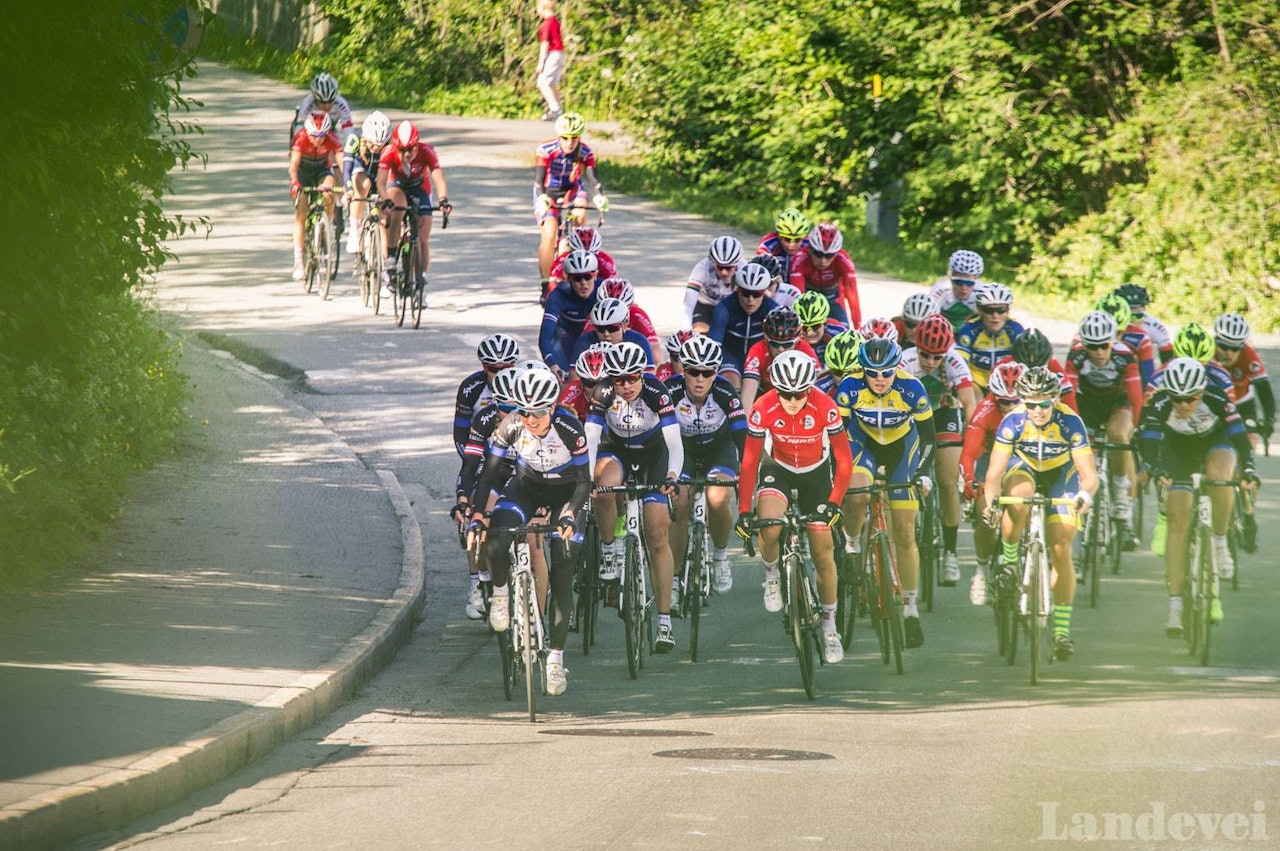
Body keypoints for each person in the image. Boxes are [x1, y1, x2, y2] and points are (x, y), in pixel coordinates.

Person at [473, 369, 590, 696]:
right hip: (526, 488)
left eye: (537, 412)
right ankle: (500, 595)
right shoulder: (510, 425)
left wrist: (569, 514)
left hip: (566, 494)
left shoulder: (569, 427)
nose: (530, 419)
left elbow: (584, 481)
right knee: (497, 538)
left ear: (551, 407)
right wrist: (477, 515)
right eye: (524, 412)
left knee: (563, 565)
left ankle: (555, 659)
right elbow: (488, 476)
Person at [737, 350, 853, 665]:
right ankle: (772, 575)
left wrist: (834, 503)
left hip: (817, 473)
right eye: (785, 393)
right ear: (775, 388)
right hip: (779, 468)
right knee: (770, 524)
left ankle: (830, 626)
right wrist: (744, 510)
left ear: (809, 388)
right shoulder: (763, 408)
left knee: (822, 551)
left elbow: (844, 460)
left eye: (799, 393)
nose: (791, 400)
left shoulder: (826, 407)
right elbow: (749, 463)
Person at [983, 366, 1099, 661]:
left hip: (1062, 474)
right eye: (1030, 403)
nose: (1037, 410)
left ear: (1055, 400)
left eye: (1044, 404)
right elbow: (995, 473)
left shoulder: (1071, 422)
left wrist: (1085, 493)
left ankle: (1061, 631)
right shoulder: (1012, 422)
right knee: (1018, 496)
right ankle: (1010, 561)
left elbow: (1088, 473)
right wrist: (991, 504)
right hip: (1024, 470)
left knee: (1061, 546)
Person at [1138, 358, 1259, 636]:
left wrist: (1249, 469)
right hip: (1177, 451)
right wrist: (1158, 470)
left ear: (1201, 392)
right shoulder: (1158, 404)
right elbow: (1149, 442)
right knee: (1178, 519)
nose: (1182, 405)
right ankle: (1175, 606)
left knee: (1222, 475)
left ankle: (1219, 542)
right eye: (1177, 399)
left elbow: (1239, 436)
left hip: (1214, 442)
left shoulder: (1216, 397)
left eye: (1190, 399)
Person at [835, 338, 936, 649]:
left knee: (904, 532)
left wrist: (921, 474)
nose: (879, 379)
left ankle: (910, 609)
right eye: (872, 372)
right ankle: (852, 546)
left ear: (897, 369)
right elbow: (838, 437)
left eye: (886, 372)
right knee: (857, 497)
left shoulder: (912, 389)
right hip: (862, 446)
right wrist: (838, 475)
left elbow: (930, 438)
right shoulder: (849, 389)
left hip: (901, 451)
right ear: (862, 370)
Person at [585, 342, 684, 653]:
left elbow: (674, 442)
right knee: (604, 487)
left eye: (632, 378)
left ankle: (665, 621)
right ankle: (609, 547)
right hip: (617, 451)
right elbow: (590, 438)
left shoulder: (657, 392)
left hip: (655, 454)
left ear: (642, 375)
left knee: (657, 534)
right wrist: (587, 479)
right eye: (619, 380)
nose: (626, 386)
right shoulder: (603, 393)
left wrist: (672, 476)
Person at [899, 314, 977, 585]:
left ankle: (951, 553)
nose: (931, 362)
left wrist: (971, 440)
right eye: (926, 355)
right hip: (910, 416)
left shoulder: (955, 361)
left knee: (946, 481)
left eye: (937, 357)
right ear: (916, 346)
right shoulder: (905, 360)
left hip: (943, 414)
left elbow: (970, 405)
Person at [668, 335, 747, 594]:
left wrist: (746, 475)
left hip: (719, 449)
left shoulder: (725, 392)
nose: (700, 379)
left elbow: (741, 436)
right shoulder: (670, 391)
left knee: (718, 497)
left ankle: (722, 557)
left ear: (715, 372)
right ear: (683, 370)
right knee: (679, 505)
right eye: (693, 372)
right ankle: (675, 577)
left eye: (707, 372)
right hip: (684, 450)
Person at [1065, 310, 1143, 549]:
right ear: (1084, 343)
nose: (1099, 352)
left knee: (1119, 434)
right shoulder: (1076, 356)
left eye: (1104, 345)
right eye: (1092, 346)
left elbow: (1136, 398)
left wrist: (1136, 429)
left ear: (1113, 341)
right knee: (1079, 444)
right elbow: (1069, 396)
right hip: (1086, 404)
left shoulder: (1125, 356)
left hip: (1115, 404)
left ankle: (1121, 492)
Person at [453, 365, 522, 620]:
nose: (509, 416)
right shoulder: (484, 419)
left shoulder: (530, 419)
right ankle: (481, 580)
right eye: (504, 409)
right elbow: (470, 465)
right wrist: (463, 498)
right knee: (478, 513)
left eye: (515, 408)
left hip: (525, 474)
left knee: (536, 544)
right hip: (494, 471)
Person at [960, 361, 1025, 604]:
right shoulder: (985, 411)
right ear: (994, 397)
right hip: (992, 455)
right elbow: (968, 454)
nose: (1009, 407)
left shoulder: (1037, 409)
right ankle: (982, 569)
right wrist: (969, 479)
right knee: (985, 511)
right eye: (1004, 402)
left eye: (1015, 401)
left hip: (1025, 456)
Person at [535, 113, 608, 289]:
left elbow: (592, 179)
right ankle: (546, 283)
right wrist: (542, 197)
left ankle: (576, 255)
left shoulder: (585, 151)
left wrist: (598, 196)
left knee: (580, 214)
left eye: (574, 138)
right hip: (548, 192)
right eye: (565, 138)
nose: (570, 142)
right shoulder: (546, 149)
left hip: (573, 190)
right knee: (550, 233)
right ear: (559, 136)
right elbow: (539, 180)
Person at [376, 120, 451, 292]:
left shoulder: (427, 151)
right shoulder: (388, 152)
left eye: (410, 149)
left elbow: (438, 177)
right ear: (395, 147)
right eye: (401, 150)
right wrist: (386, 199)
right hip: (397, 186)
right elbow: (380, 182)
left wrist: (443, 199)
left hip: (420, 188)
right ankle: (392, 258)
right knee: (398, 208)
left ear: (417, 145)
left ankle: (421, 280)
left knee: (423, 238)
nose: (406, 154)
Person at [288, 111, 343, 280]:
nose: (318, 139)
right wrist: (295, 182)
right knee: (301, 214)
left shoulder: (332, 139)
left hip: (321, 170)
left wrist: (347, 184)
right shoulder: (301, 138)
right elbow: (294, 166)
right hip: (303, 173)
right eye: (314, 135)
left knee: (328, 192)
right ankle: (299, 261)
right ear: (307, 132)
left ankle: (329, 224)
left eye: (322, 135)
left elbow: (342, 163)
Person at [708, 264, 779, 390]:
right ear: (738, 290)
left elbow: (780, 344)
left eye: (756, 294)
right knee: (731, 383)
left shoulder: (772, 309)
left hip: (760, 355)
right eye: (745, 293)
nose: (750, 300)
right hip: (730, 354)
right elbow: (714, 345)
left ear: (764, 293)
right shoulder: (724, 308)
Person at [1212, 313, 1274, 453]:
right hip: (1215, 402)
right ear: (1215, 342)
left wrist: (1268, 420)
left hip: (1242, 403)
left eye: (1235, 348)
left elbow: (1264, 390)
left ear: (1243, 346)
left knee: (1248, 442)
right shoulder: (1208, 352)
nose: (1229, 353)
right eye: (1223, 346)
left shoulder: (1249, 355)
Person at [739, 307, 819, 413]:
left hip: (796, 399)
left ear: (797, 341)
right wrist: (745, 425)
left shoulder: (804, 349)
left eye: (787, 344)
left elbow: (817, 387)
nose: (780, 349)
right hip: (766, 398)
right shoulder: (758, 349)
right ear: (766, 338)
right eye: (774, 344)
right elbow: (748, 392)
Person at [787, 222, 861, 327]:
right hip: (809, 300)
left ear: (836, 253)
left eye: (829, 255)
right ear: (810, 249)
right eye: (818, 254)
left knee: (843, 332)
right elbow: (798, 296)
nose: (823, 261)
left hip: (834, 301)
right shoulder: (800, 259)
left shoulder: (843, 259)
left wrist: (858, 326)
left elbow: (853, 296)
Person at [538, 249, 599, 376]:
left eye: (587, 276)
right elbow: (545, 337)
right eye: (577, 279)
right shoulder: (558, 295)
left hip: (594, 339)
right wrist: (552, 364)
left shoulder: (604, 290)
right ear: (568, 279)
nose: (583, 283)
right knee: (565, 377)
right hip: (566, 338)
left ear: (596, 275)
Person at [956, 282, 1024, 395]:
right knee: (973, 395)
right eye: (989, 310)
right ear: (980, 311)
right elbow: (960, 363)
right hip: (977, 383)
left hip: (1008, 384)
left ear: (1007, 310)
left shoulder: (1015, 330)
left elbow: (1026, 363)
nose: (995, 316)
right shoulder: (970, 330)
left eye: (1001, 310)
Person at [342, 111, 392, 254]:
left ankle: (382, 267)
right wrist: (349, 191)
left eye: (380, 145)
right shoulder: (354, 139)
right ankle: (355, 228)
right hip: (360, 173)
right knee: (364, 184)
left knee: (383, 220)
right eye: (372, 144)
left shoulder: (390, 145)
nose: (376, 148)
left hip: (380, 175)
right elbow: (346, 169)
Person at [569, 297, 654, 370]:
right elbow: (574, 379)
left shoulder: (638, 341)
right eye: (600, 329)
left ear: (624, 325)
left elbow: (650, 377)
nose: (606, 334)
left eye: (612, 328)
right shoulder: (584, 341)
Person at [683, 236, 745, 333]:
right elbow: (688, 304)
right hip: (705, 306)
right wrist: (685, 330)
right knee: (700, 333)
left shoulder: (744, 269)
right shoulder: (702, 268)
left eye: (729, 268)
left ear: (736, 264)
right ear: (712, 263)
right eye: (720, 267)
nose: (724, 272)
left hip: (729, 308)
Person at [546, 226, 617, 299]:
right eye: (579, 256)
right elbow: (552, 286)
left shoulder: (605, 261)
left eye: (592, 255)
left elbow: (613, 289)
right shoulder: (562, 260)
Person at [1114, 283, 1173, 365]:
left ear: (1144, 308)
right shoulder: (1109, 321)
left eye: (1137, 316)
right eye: (1127, 317)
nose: (1131, 323)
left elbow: (1168, 361)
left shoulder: (1155, 326)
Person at [289, 72, 354, 140]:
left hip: (329, 128)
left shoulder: (342, 104)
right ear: (315, 99)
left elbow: (348, 130)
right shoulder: (308, 103)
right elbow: (299, 129)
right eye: (322, 102)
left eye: (330, 101)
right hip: (309, 131)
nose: (326, 106)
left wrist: (350, 147)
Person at [794, 290, 849, 369]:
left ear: (825, 321)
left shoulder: (838, 334)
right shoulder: (792, 337)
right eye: (804, 328)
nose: (810, 333)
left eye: (815, 326)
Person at [930, 250, 983, 330]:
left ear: (976, 280)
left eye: (969, 283)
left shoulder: (982, 292)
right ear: (950, 278)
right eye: (959, 281)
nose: (964, 287)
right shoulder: (941, 289)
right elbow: (928, 317)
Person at [756, 208, 811, 279]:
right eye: (787, 239)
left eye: (797, 240)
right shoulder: (768, 242)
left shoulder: (810, 243)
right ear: (779, 236)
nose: (792, 245)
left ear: (803, 237)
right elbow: (759, 267)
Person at [534, 0, 566, 121]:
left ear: (542, 7)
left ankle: (555, 109)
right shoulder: (555, 21)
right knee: (552, 84)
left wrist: (541, 63)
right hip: (559, 54)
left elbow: (545, 43)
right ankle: (558, 110)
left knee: (542, 82)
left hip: (552, 54)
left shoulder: (546, 24)